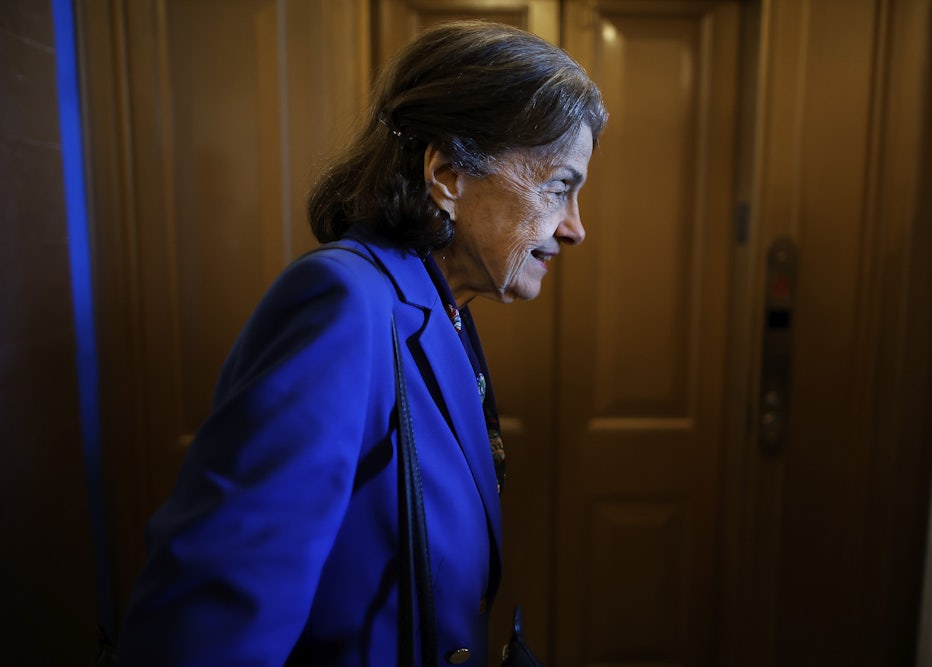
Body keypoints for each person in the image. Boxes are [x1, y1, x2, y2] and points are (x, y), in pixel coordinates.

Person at [115, 20, 607, 666]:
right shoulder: (342, 303)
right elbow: (212, 611)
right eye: (558, 187)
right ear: (448, 173)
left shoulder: (442, 303)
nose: (575, 229)